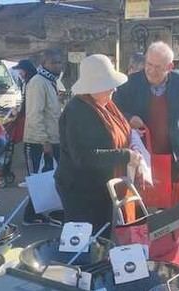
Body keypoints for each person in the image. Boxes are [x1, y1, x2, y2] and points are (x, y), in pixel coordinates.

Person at [55, 54, 142, 238]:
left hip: (102, 185)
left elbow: (117, 131)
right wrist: (125, 155)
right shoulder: (77, 112)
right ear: (93, 87)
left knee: (101, 237)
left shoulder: (104, 104)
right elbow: (84, 157)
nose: (114, 90)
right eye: (108, 86)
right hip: (81, 190)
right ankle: (81, 266)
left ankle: (97, 262)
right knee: (84, 241)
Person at [115, 41, 179, 181]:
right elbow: (114, 112)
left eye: (157, 67)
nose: (151, 70)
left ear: (170, 67)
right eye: (148, 64)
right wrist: (129, 118)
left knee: (170, 199)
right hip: (138, 155)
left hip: (171, 156)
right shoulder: (128, 84)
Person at [22, 49, 64, 226]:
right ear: (44, 63)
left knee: (54, 178)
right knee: (39, 180)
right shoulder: (38, 82)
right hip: (39, 142)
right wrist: (44, 140)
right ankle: (30, 216)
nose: (58, 65)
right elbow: (34, 115)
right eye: (54, 62)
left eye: (59, 62)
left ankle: (52, 213)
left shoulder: (51, 82)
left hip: (54, 139)